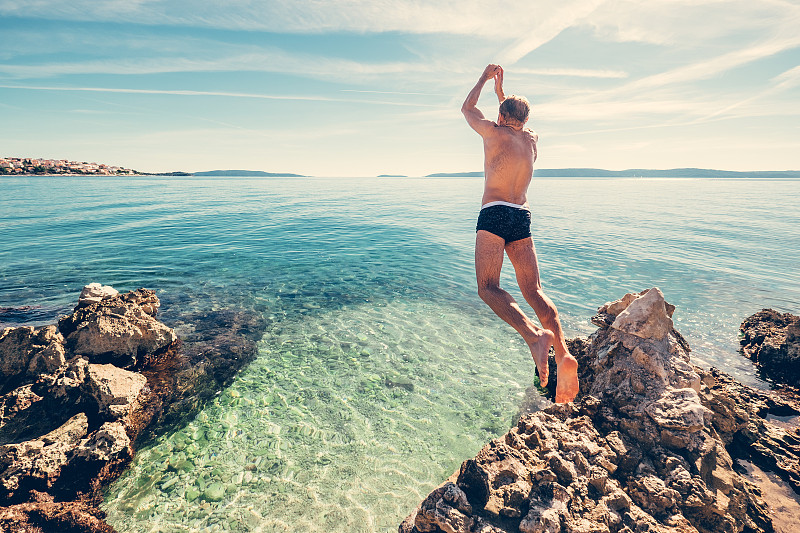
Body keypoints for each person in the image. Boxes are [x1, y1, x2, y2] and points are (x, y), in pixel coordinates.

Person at [462, 64, 579, 403]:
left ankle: (534, 337)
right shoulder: (531, 140)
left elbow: (467, 109)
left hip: (495, 212)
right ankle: (563, 352)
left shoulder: (492, 133)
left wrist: (485, 79)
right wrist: (504, 93)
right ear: (525, 121)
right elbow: (514, 116)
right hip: (521, 216)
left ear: (499, 115)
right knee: (534, 290)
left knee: (488, 288)